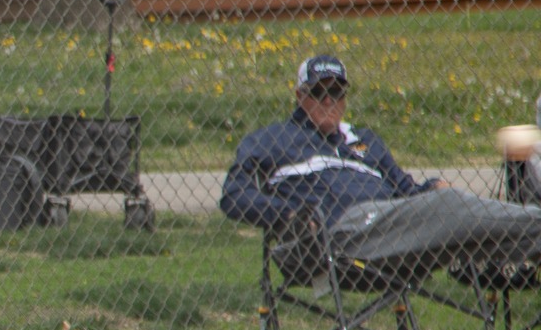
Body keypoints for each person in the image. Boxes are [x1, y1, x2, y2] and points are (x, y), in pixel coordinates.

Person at [222, 54, 541, 269]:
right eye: (319, 92)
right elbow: (233, 195)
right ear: (299, 96)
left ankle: (526, 240)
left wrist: (431, 188)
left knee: (450, 203)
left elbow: (406, 191)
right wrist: (289, 215)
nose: (330, 101)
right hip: (341, 235)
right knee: (454, 206)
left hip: (395, 227)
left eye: (338, 91)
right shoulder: (272, 139)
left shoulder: (365, 140)